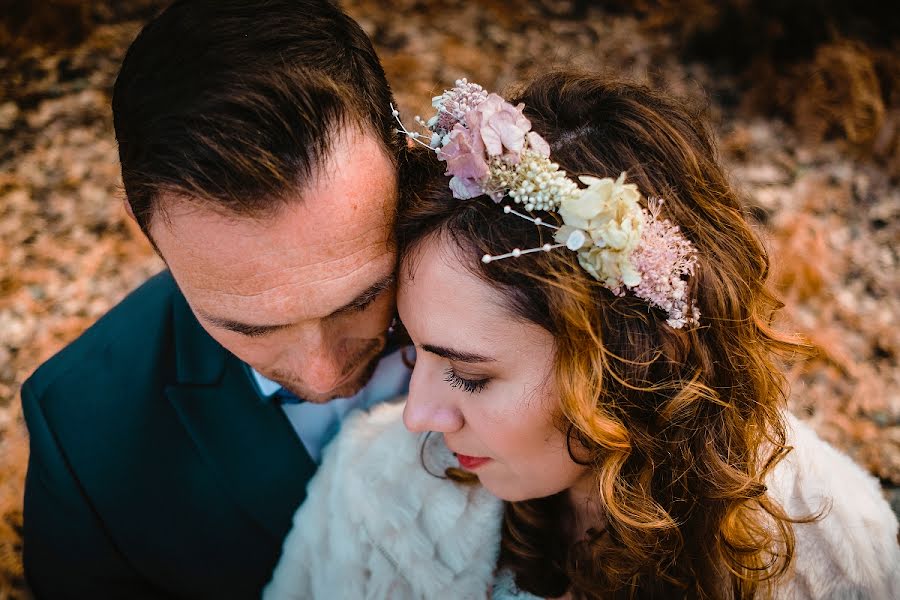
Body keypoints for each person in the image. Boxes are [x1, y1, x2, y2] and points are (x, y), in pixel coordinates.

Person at [265, 72, 900, 599]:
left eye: (471, 375)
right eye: (414, 348)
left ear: (629, 362)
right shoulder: (375, 494)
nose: (418, 415)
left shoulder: (830, 547)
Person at [20, 1, 412, 597]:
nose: (323, 372)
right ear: (144, 230)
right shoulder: (83, 434)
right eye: (250, 328)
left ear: (405, 165)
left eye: (361, 299)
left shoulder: (529, 275)